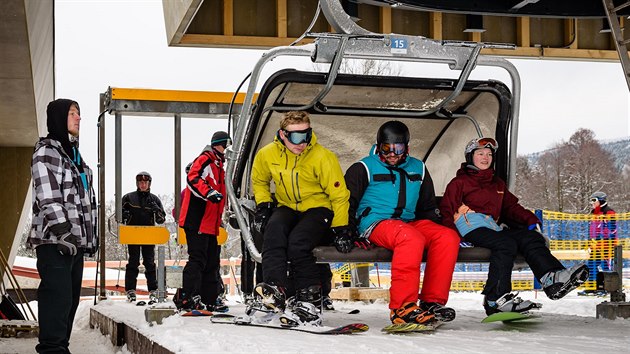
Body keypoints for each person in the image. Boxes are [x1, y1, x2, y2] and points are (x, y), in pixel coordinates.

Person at [440, 137, 589, 315]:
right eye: (480, 154)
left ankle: (552, 278)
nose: (485, 158)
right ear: (470, 157)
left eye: (489, 154)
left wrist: (530, 219)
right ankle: (496, 298)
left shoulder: (497, 184)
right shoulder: (460, 183)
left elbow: (510, 207)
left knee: (530, 237)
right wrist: (452, 236)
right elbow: (446, 210)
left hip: (491, 227)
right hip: (470, 227)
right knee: (505, 243)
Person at [343, 120, 460, 325]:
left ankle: (432, 302)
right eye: (386, 148)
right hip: (374, 222)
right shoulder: (363, 168)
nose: (392, 154)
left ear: (407, 147)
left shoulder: (419, 168)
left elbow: (426, 206)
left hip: (408, 222)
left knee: (447, 237)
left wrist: (435, 228)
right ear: (378, 146)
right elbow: (348, 202)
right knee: (410, 238)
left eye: (398, 148)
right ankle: (402, 308)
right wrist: (349, 232)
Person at [250, 111, 350, 324]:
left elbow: (339, 195)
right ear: (283, 135)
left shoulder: (323, 157)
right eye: (295, 137)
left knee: (298, 243)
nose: (302, 143)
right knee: (273, 231)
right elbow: (259, 180)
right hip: (288, 206)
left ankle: (309, 300)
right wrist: (264, 204)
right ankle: (275, 289)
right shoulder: (267, 154)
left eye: (306, 135)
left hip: (318, 208)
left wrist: (341, 227)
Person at [27, 99, 98, 353]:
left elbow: (84, 204)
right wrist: (63, 231)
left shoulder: (75, 157)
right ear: (58, 118)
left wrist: (89, 239)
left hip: (73, 243)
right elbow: (48, 197)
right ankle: (51, 349)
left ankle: (59, 348)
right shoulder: (46, 152)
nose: (78, 118)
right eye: (72, 113)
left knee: (69, 303)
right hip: (54, 241)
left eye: (79, 113)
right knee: (57, 301)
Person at [176, 131, 231, 312]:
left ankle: (210, 298)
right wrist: (208, 192)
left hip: (211, 224)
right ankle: (189, 297)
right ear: (219, 144)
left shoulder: (219, 166)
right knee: (198, 259)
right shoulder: (206, 158)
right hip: (197, 220)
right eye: (226, 146)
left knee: (212, 262)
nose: (227, 150)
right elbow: (193, 177)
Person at [121, 171, 166, 303]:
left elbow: (161, 220)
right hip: (133, 234)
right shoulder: (128, 198)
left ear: (149, 184)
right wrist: (125, 215)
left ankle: (153, 289)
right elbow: (119, 215)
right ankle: (130, 290)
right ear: (137, 183)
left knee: (149, 262)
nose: (143, 184)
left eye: (145, 182)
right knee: (133, 261)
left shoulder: (154, 199)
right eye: (140, 182)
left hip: (148, 235)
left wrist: (156, 209)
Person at [583, 191, 617, 294]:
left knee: (605, 265)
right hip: (595, 245)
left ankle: (608, 288)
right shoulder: (594, 213)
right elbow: (592, 229)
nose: (592, 203)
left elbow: (612, 229)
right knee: (591, 264)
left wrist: (603, 236)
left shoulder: (609, 212)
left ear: (601, 200)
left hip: (606, 244)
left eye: (594, 200)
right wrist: (590, 242)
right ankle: (593, 286)